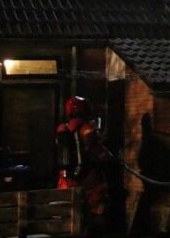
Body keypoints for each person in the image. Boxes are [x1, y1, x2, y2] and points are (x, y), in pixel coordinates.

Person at [56, 96, 110, 236]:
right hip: (89, 179)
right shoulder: (88, 128)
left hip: (66, 179)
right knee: (97, 210)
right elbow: (99, 153)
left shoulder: (61, 129)